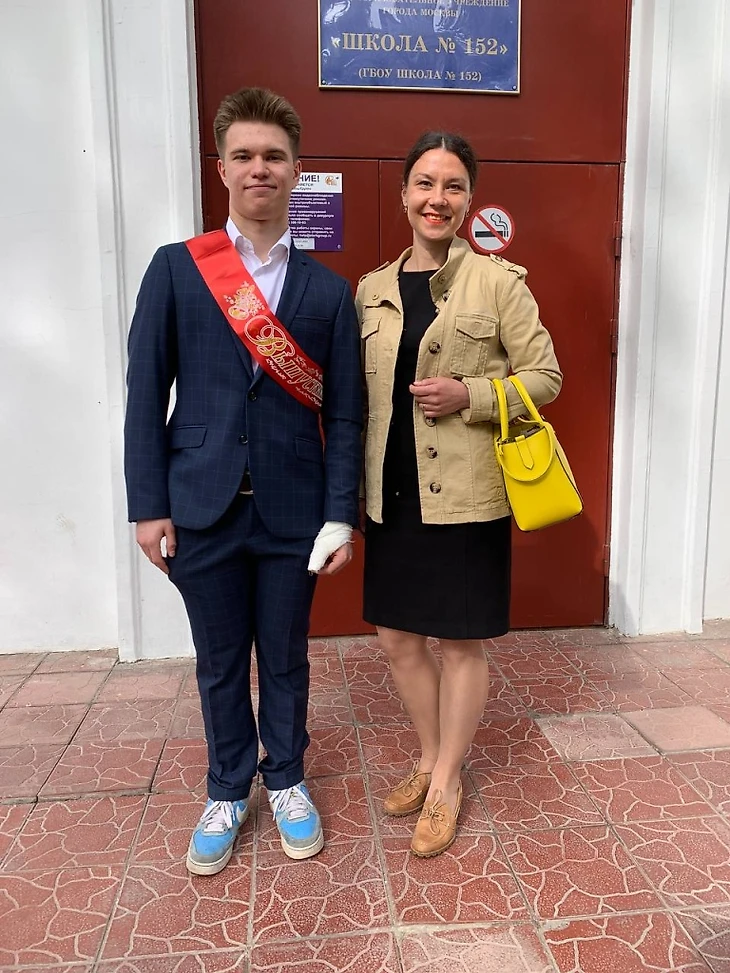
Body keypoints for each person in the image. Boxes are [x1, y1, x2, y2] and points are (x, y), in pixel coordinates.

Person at [124, 88, 362, 874]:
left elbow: (349, 417)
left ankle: (286, 776)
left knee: (286, 657)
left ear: (297, 170)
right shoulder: (177, 269)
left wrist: (342, 515)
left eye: (275, 156)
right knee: (220, 658)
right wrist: (147, 505)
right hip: (200, 506)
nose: (260, 168)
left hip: (295, 513)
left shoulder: (329, 292)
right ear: (221, 166)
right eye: (245, 155)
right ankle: (229, 785)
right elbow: (145, 391)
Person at [356, 132, 562, 857]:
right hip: (392, 491)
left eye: (450, 186)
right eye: (423, 183)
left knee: (460, 641)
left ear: (469, 198)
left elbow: (546, 378)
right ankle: (427, 751)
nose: (435, 199)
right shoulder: (371, 288)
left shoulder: (500, 284)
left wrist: (471, 393)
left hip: (467, 494)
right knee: (396, 638)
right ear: (404, 194)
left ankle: (447, 779)